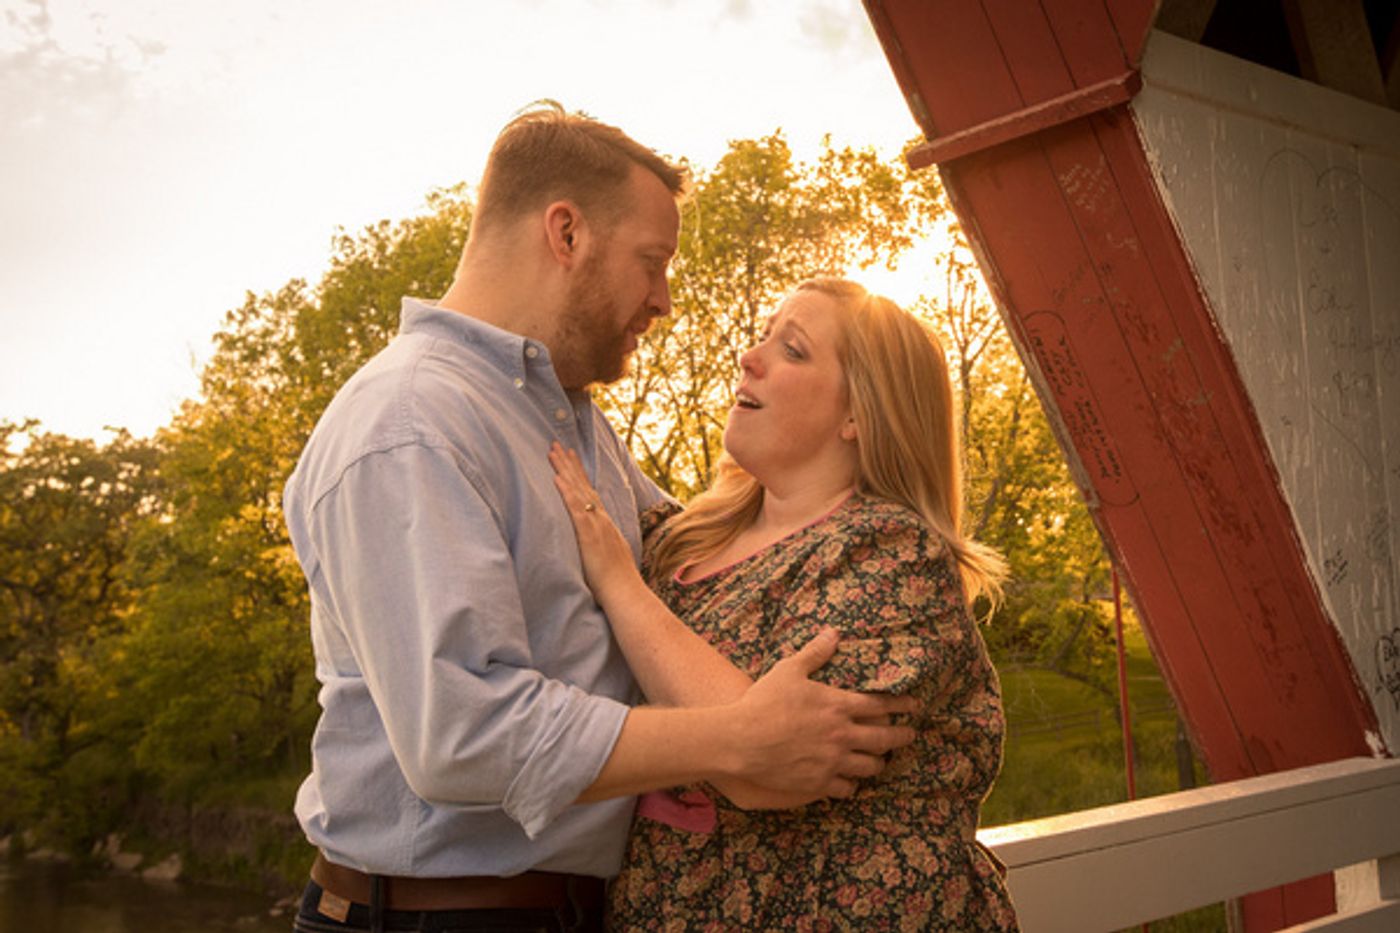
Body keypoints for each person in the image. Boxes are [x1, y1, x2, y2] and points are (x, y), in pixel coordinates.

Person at [281, 104, 918, 933]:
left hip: (574, 909)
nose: (664, 300)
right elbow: (462, 734)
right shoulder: (411, 424)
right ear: (567, 233)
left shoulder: (565, 418)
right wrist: (734, 738)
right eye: (652, 262)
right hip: (436, 917)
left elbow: (706, 570)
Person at [549, 277, 1020, 930]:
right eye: (763, 336)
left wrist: (618, 583)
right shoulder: (687, 537)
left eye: (792, 349)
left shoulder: (890, 553)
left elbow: (766, 769)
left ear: (859, 414)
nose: (750, 356)